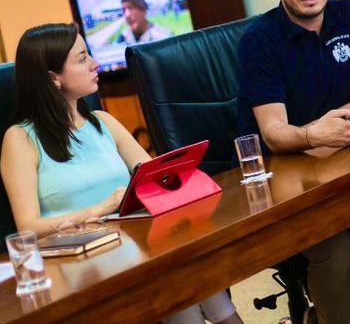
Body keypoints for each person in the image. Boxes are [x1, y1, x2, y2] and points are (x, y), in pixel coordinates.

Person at [0, 23, 242, 324]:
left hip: (134, 249)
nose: (95, 64)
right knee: (181, 281)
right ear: (54, 78)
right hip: (80, 264)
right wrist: (98, 209)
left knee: (188, 270)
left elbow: (153, 178)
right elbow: (27, 227)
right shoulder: (20, 139)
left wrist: (174, 174)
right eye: (82, 58)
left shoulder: (102, 121)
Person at [237, 0, 350, 324]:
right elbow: (273, 132)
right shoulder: (258, 41)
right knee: (334, 247)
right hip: (292, 183)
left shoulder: (349, 15)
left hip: (348, 161)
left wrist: (326, 134)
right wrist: (314, 136)